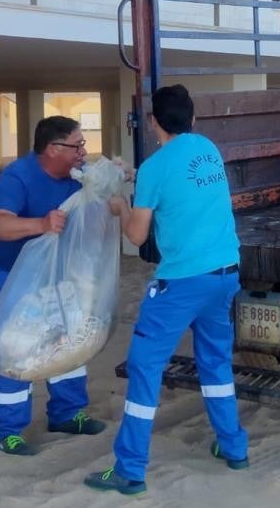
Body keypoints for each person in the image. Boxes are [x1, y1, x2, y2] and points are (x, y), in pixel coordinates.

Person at [85, 84, 249, 496]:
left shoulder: (156, 168)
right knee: (215, 363)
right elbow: (179, 176)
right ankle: (233, 448)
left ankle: (129, 469)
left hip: (182, 283)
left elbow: (139, 237)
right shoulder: (207, 148)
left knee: (144, 366)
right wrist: (136, 175)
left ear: (154, 121)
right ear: (193, 120)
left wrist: (122, 206)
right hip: (225, 272)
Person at [0, 116, 108, 456]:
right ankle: (7, 431)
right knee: (18, 344)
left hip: (54, 270)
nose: (84, 152)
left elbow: (106, 205)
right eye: (77, 145)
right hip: (6, 271)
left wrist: (115, 179)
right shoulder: (17, 176)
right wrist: (41, 224)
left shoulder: (78, 178)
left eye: (84, 145)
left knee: (68, 333)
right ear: (53, 149)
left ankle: (66, 414)